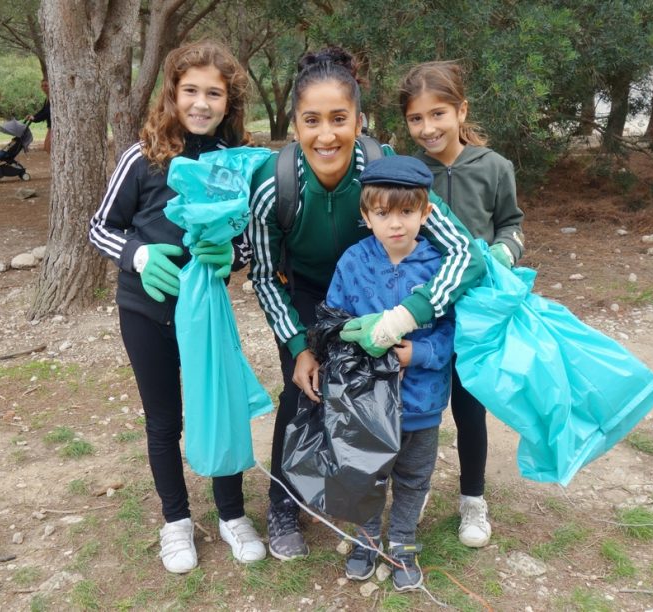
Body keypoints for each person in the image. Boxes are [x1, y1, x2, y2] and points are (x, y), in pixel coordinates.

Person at [248, 46, 485, 561]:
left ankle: (372, 500)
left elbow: (466, 253)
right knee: (303, 391)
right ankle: (285, 502)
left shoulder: (385, 171)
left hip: (379, 285)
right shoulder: (274, 183)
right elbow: (263, 275)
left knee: (372, 392)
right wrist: (300, 345)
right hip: (310, 292)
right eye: (312, 121)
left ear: (359, 121)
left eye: (339, 119)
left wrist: (410, 313)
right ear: (294, 125)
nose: (326, 135)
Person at [88, 40, 264, 574]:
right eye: (191, 90)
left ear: (229, 102)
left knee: (220, 407)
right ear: (172, 93)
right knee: (163, 420)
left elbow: (251, 239)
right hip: (145, 311)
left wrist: (232, 256)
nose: (201, 103)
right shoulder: (141, 157)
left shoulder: (237, 163)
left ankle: (232, 514)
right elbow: (100, 227)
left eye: (214, 93)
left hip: (206, 314)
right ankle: (176, 521)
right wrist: (137, 256)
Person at [399, 61, 526, 548]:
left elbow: (512, 223)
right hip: (424, 313)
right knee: (417, 410)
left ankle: (473, 498)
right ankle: (413, 489)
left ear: (461, 111)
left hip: (476, 315)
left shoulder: (494, 167)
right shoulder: (410, 174)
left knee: (470, 410)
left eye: (438, 114)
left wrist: (506, 250)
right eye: (416, 118)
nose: (428, 128)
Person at [326, 155, 455, 591]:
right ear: (366, 216)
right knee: (366, 474)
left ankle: (402, 542)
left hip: (422, 402)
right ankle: (365, 541)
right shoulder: (352, 261)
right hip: (367, 403)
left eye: (406, 212)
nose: (395, 224)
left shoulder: (441, 267)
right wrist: (360, 352)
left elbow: (456, 332)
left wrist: (418, 353)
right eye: (382, 213)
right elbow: (336, 322)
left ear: (425, 212)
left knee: (414, 478)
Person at [25, 78, 51, 153]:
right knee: (47, 148)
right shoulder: (47, 98)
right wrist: (33, 116)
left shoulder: (53, 98)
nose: (44, 88)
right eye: (42, 86)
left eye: (46, 86)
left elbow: (47, 113)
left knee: (48, 147)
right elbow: (43, 110)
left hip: (54, 127)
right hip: (50, 126)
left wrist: (35, 119)